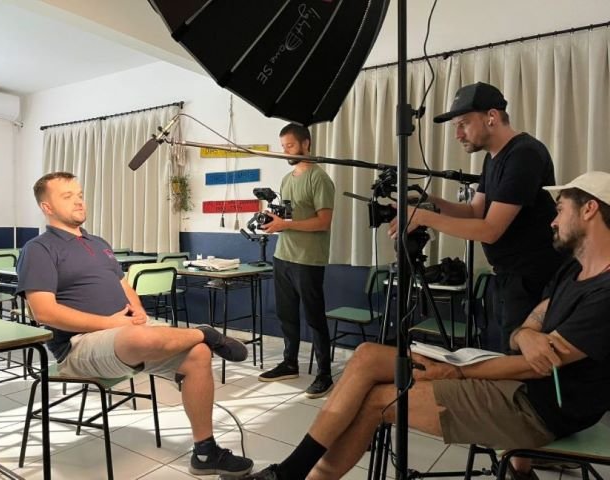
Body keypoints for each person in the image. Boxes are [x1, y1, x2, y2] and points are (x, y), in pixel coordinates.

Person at [232, 171, 610, 480]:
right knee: (366, 355)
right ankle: (290, 472)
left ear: (590, 209)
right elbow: (528, 327)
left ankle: (298, 477)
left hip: (539, 408)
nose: (553, 220)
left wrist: (458, 371)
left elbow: (535, 365)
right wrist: (526, 335)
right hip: (521, 384)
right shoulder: (572, 271)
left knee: (378, 399)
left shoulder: (606, 291)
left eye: (560, 210)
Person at [16, 171, 254, 477]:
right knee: (139, 337)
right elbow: (44, 312)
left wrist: (138, 309)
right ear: (47, 207)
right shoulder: (38, 248)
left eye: (80, 194)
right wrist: (109, 323)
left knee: (198, 354)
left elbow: (124, 284)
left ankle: (205, 453)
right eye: (67, 196)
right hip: (78, 346)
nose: (78, 201)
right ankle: (205, 333)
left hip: (126, 334)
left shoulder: (98, 242)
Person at [390, 82, 564, 351]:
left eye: (463, 124)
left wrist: (422, 218)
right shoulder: (493, 158)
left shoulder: (524, 154)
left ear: (491, 117)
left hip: (532, 280)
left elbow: (490, 230)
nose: (458, 135)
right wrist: (431, 202)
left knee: (522, 361)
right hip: (508, 278)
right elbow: (474, 212)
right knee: (510, 353)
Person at [258, 123, 336, 398]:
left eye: (290, 146)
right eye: (283, 147)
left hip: (308, 259)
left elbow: (323, 222)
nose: (286, 151)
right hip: (283, 256)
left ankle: (324, 374)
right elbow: (288, 217)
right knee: (286, 314)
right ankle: (290, 362)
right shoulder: (286, 180)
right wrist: (275, 222)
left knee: (314, 317)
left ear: (306, 143)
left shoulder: (319, 178)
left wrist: (286, 225)